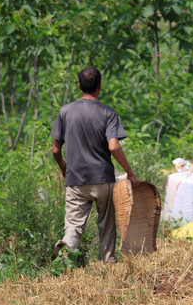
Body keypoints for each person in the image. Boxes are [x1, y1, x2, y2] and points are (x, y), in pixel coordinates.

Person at [50, 66, 139, 263]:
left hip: (75, 180)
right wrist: (130, 173)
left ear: (79, 85)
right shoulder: (107, 112)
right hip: (103, 180)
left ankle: (65, 256)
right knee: (106, 225)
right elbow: (114, 147)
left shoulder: (65, 111)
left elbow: (55, 150)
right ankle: (107, 262)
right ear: (99, 86)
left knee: (73, 225)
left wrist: (64, 167)